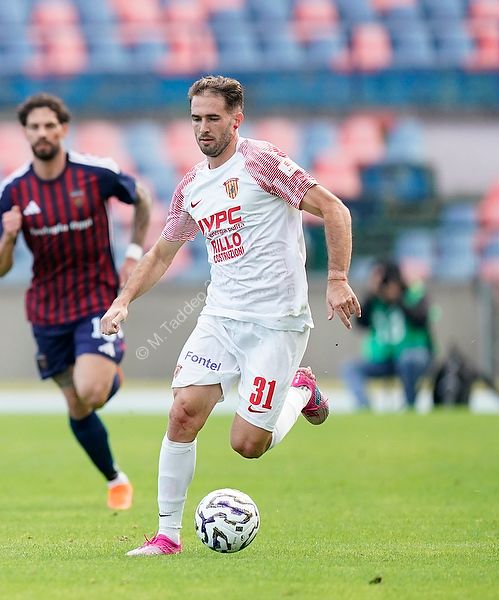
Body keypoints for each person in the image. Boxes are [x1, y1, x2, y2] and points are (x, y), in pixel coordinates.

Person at [99, 75, 360, 556]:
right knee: (183, 413)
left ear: (236, 120)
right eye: (196, 119)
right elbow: (161, 253)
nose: (203, 128)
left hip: (276, 324)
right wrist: (123, 301)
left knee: (247, 445)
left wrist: (338, 278)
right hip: (220, 318)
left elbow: (334, 209)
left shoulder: (262, 163)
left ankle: (301, 390)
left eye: (213, 118)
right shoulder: (192, 186)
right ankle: (167, 536)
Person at [0, 92, 152, 510]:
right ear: (25, 133)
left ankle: (108, 371)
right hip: (47, 311)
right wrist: (8, 237)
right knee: (77, 404)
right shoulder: (13, 189)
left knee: (92, 391)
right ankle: (115, 479)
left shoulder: (95, 173)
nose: (42, 133)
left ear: (63, 128)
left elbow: (143, 198)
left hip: (96, 299)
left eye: (49, 125)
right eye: (34, 127)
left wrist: (134, 253)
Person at [341, 261, 434, 410]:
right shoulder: (375, 300)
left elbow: (422, 320)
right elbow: (360, 323)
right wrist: (371, 294)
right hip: (383, 359)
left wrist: (399, 298)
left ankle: (410, 406)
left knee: (409, 361)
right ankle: (364, 407)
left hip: (411, 355)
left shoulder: (413, 295)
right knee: (351, 368)